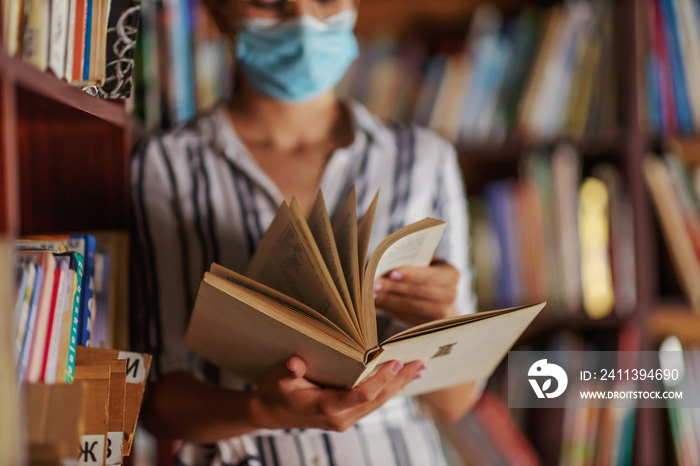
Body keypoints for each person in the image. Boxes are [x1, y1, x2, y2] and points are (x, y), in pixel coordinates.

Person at [131, 0, 484, 464]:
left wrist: (440, 317)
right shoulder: (166, 165)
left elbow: (458, 401)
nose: (303, 19)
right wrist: (261, 408)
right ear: (219, 13)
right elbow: (158, 401)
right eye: (268, 1)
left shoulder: (425, 159)